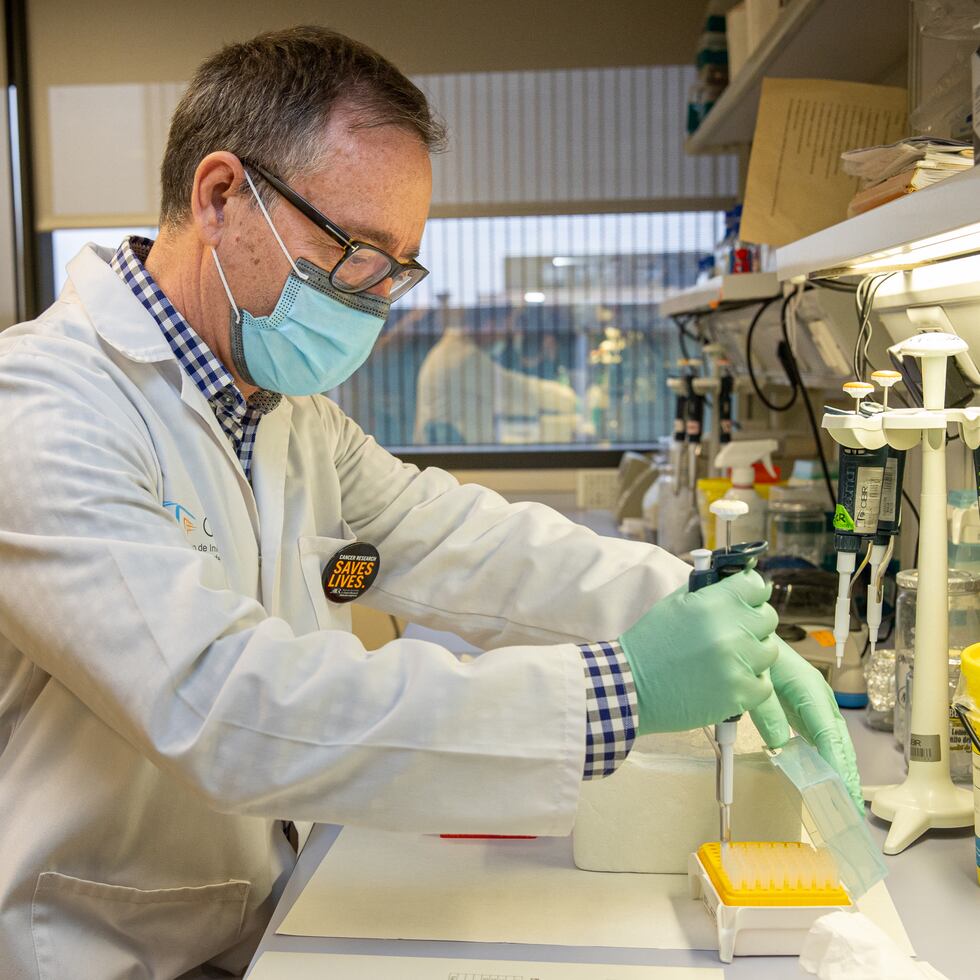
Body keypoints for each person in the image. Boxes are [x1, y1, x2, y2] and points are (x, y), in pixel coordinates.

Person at [0, 27, 860, 980]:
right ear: (219, 198)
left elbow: (464, 540)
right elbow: (222, 705)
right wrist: (626, 690)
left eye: (398, 265)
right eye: (356, 250)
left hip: (258, 918)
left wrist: (697, 597)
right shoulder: (42, 408)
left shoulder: (287, 416)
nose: (375, 301)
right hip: (97, 951)